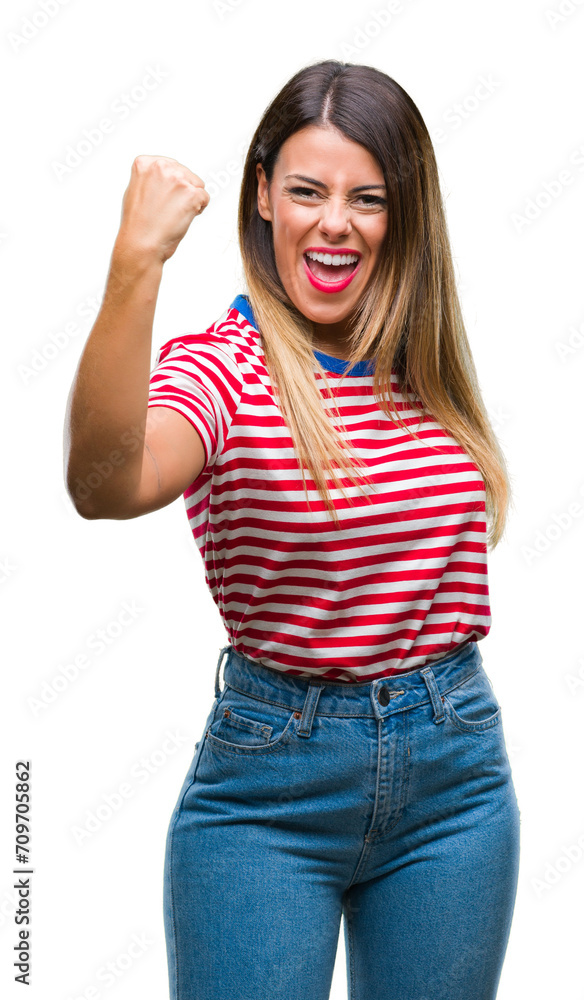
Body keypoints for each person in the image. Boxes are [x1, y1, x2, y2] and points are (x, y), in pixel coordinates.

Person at [64, 59, 520, 1000]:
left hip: (456, 782)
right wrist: (134, 264)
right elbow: (103, 485)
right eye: (307, 191)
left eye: (369, 198)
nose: (335, 222)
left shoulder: (422, 363)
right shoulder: (224, 371)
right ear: (263, 195)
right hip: (270, 792)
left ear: (405, 217)